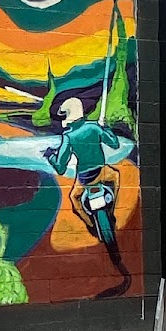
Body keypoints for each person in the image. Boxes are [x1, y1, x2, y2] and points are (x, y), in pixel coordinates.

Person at [45, 98, 121, 234]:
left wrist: (50, 156)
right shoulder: (93, 127)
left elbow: (60, 168)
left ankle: (90, 225)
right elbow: (115, 144)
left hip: (85, 178)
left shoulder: (68, 137)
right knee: (115, 176)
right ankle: (111, 211)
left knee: (74, 198)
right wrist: (106, 129)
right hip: (101, 172)